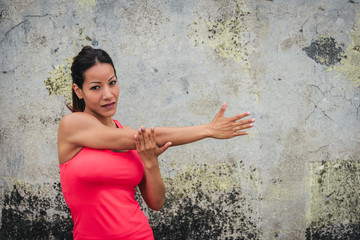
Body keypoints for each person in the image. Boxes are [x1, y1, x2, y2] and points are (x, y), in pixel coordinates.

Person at [57, 46, 255, 240]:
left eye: (112, 83)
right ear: (79, 91)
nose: (108, 94)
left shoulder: (128, 134)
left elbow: (156, 202)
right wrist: (207, 130)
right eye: (95, 87)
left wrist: (151, 162)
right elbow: (144, 138)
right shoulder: (73, 126)